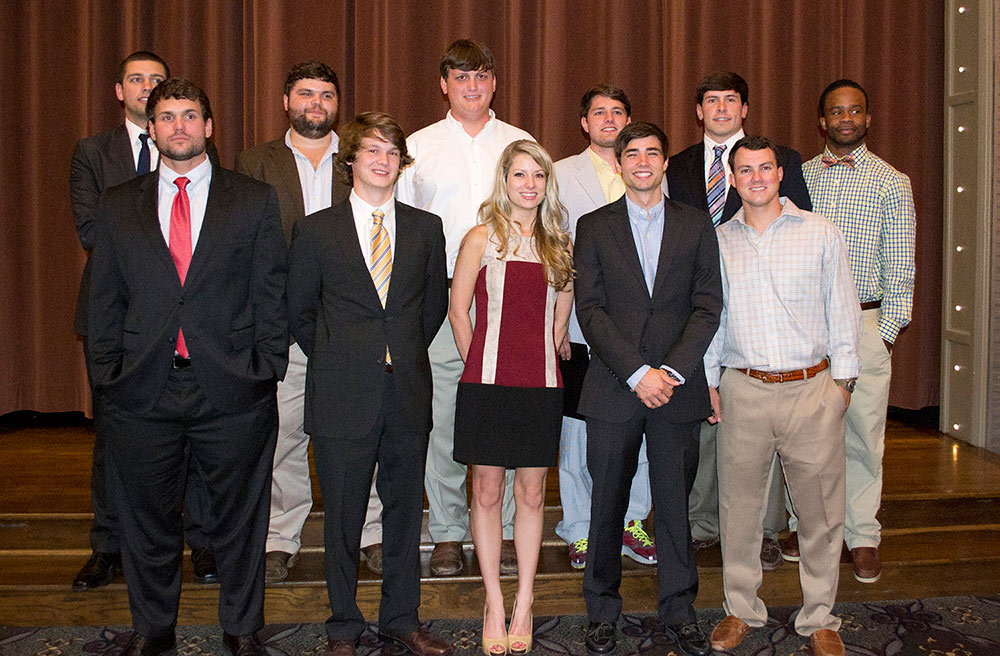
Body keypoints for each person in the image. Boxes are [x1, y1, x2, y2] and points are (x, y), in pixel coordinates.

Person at [88, 78, 288, 656]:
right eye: (167, 116)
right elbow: (103, 297)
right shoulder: (119, 202)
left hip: (231, 388)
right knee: (147, 521)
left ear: (209, 127)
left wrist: (265, 365)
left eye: (190, 115)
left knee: (240, 520)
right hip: (141, 391)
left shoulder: (250, 199)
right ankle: (155, 630)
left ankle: (241, 627)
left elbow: (269, 291)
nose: (179, 125)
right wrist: (109, 373)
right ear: (151, 130)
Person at [287, 113, 450, 656]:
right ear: (350, 161)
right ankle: (343, 626)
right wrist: (347, 359)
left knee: (404, 515)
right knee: (343, 517)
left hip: (406, 391)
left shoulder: (427, 229)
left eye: (392, 152)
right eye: (372, 151)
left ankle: (402, 619)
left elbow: (430, 311)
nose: (383, 161)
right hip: (340, 395)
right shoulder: (315, 231)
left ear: (403, 164)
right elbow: (301, 314)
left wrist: (393, 355)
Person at [704, 135, 860, 656]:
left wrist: (843, 386)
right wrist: (710, 382)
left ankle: (820, 616)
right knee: (740, 511)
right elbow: (713, 322)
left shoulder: (820, 234)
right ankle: (741, 609)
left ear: (780, 174)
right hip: (743, 389)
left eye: (764, 168)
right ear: (732, 179)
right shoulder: (719, 242)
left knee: (819, 512)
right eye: (744, 170)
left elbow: (843, 311)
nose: (755, 178)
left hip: (812, 390)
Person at [69, 50, 217, 591]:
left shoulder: (195, 147)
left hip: (191, 326)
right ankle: (108, 544)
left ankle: (203, 541)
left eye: (156, 80)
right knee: (114, 437)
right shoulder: (94, 153)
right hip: (121, 317)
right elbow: (93, 230)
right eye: (137, 79)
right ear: (121, 90)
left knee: (198, 436)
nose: (145, 87)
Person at [574, 122, 721, 656]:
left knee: (675, 509)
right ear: (618, 164)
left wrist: (672, 372)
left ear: (664, 164)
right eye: (630, 153)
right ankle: (600, 611)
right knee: (606, 505)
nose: (641, 161)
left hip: (678, 389)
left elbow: (708, 306)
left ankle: (680, 611)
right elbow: (589, 310)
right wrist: (639, 373)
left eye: (651, 153)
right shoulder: (593, 226)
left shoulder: (696, 223)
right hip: (615, 385)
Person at [235, 61, 385, 581]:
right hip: (283, 322)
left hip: (353, 325)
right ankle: (282, 534)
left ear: (337, 104)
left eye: (325, 94)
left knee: (362, 430)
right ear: (286, 101)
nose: (315, 103)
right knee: (286, 433)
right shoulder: (255, 163)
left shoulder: (362, 158)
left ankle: (371, 530)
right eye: (305, 93)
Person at [396, 39, 533, 577]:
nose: (471, 86)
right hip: (442, 295)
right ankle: (450, 531)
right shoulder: (419, 146)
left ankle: (495, 532)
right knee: (446, 417)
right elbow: (403, 223)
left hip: (510, 296)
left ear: (494, 83)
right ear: (444, 84)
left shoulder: (519, 141)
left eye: (480, 76)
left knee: (502, 413)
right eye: (460, 77)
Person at [665, 71, 811, 569]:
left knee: (759, 427)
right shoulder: (677, 164)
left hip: (758, 310)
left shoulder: (781, 161)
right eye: (712, 100)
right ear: (699, 111)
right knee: (705, 419)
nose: (722, 107)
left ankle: (767, 529)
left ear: (745, 109)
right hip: (692, 309)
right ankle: (704, 521)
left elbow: (798, 231)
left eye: (732, 100)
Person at [782, 79, 916, 585]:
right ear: (821, 121)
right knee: (807, 437)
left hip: (863, 321)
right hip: (808, 324)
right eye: (836, 111)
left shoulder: (890, 181)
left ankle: (862, 535)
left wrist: (883, 333)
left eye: (855, 111)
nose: (845, 119)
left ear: (867, 119)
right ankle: (807, 525)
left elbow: (901, 265)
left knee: (862, 436)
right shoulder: (798, 176)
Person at [450, 140, 574, 655]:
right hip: (487, 384)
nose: (529, 184)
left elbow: (562, 312)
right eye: (519, 174)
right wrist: (476, 366)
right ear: (504, 181)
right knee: (486, 493)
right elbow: (459, 313)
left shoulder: (559, 244)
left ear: (547, 184)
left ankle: (524, 599)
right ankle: (494, 602)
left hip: (540, 387)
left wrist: (549, 347)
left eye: (538, 176)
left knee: (529, 495)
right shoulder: (481, 237)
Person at [553, 84, 661, 570]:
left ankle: (632, 521)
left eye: (619, 111)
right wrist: (556, 322)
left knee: (639, 428)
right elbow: (553, 251)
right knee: (579, 433)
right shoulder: (558, 175)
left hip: (644, 333)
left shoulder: (651, 171)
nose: (609, 119)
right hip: (581, 325)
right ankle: (579, 528)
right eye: (599, 112)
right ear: (584, 122)